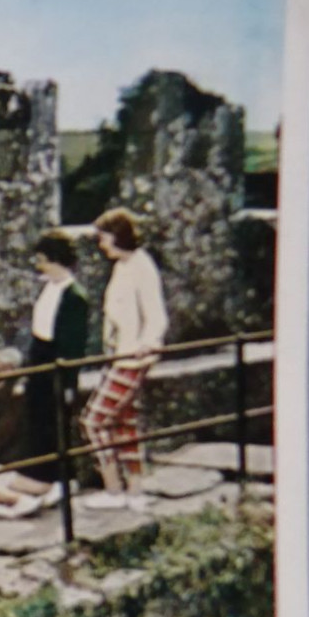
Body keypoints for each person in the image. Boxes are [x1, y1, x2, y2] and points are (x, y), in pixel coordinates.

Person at [80, 208, 169, 511]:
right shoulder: (123, 265)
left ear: (117, 236)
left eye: (104, 238)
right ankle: (135, 490)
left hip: (132, 357)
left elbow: (155, 313)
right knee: (125, 423)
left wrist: (148, 344)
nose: (101, 245)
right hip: (119, 355)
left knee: (93, 421)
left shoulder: (142, 266)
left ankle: (113, 489)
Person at [19, 231, 89, 491]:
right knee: (37, 417)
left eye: (42, 259)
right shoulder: (50, 287)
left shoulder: (74, 296)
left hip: (57, 358)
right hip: (39, 355)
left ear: (55, 259)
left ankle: (63, 479)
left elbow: (74, 345)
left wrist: (69, 382)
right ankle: (41, 476)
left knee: (56, 419)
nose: (39, 265)